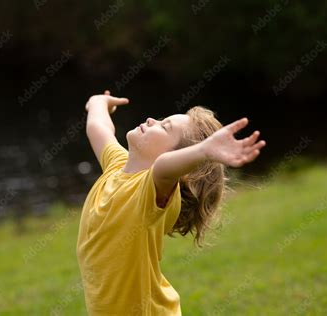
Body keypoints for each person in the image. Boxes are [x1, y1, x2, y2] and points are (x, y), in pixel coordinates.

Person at [76, 90, 266, 315]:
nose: (151, 120)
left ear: (181, 166)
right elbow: (99, 129)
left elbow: (164, 168)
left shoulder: (152, 190)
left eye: (164, 127)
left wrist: (203, 151)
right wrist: (98, 103)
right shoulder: (116, 164)